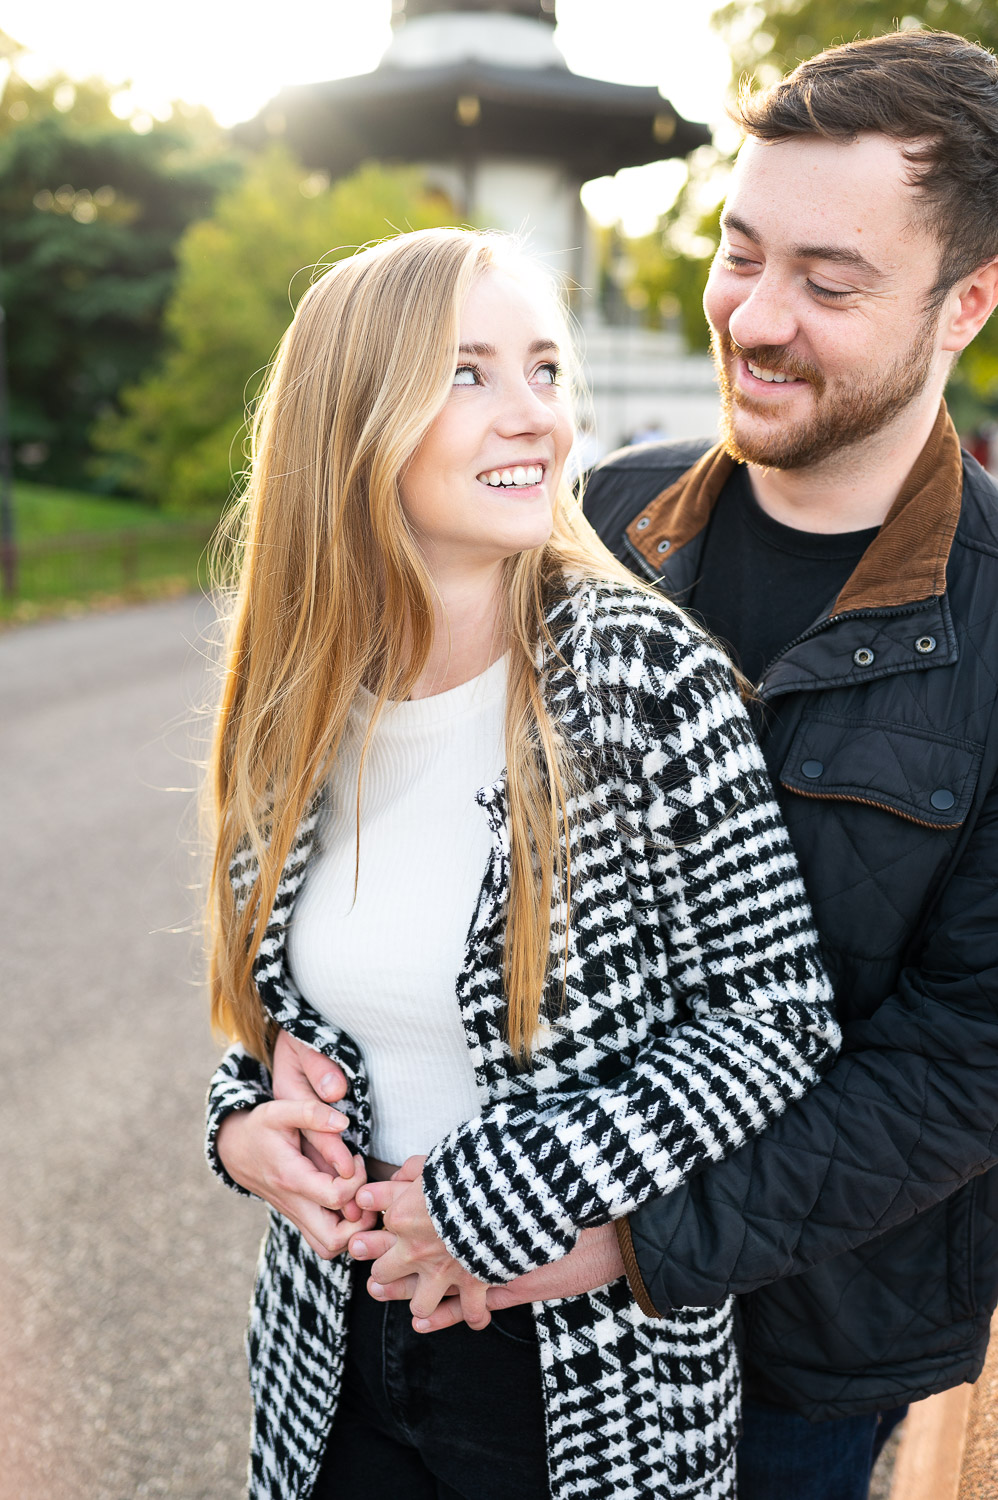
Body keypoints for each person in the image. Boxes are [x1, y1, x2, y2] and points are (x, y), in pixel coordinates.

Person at [314, 29, 998, 1500]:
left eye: (827, 284)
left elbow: (965, 1060)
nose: (753, 318)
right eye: (739, 255)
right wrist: (258, 1101)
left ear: (967, 304)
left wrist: (623, 1239)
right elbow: (381, 839)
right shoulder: (585, 523)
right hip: (500, 1295)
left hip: (804, 1337)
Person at [202, 226, 840, 1500]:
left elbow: (777, 1020)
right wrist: (240, 1130)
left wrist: (516, 1187)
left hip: (576, 1372)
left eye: (544, 371)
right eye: (469, 373)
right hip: (328, 1349)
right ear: (354, 414)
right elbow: (284, 1011)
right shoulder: (294, 700)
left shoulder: (641, 678)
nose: (532, 420)